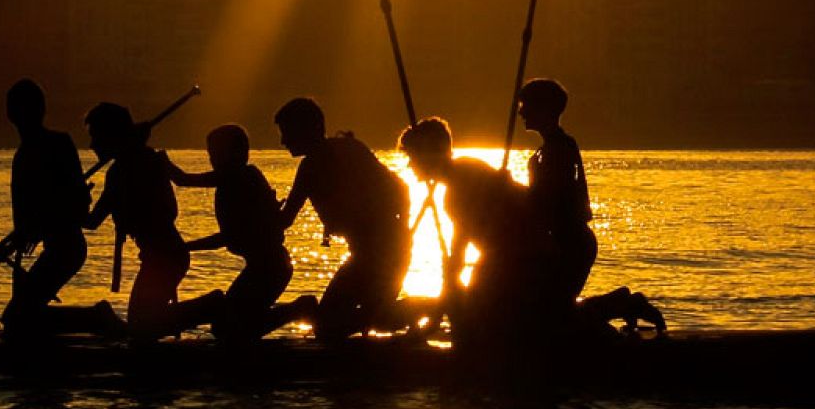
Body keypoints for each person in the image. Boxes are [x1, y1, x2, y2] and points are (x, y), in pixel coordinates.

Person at [518, 78, 664, 331]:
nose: (520, 111)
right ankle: (620, 303)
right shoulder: (546, 151)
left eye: (526, 105)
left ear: (545, 109)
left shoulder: (559, 150)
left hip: (570, 243)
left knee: (555, 316)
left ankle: (619, 308)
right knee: (552, 311)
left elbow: (551, 197)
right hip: (563, 240)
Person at [399, 117, 559, 346]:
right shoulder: (461, 176)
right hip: (507, 259)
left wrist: (445, 300)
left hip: (522, 260)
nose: (410, 164)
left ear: (430, 153)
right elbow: (459, 248)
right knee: (465, 298)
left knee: (473, 308)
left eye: (412, 156)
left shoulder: (462, 181)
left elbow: (463, 248)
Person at [276, 97, 411, 340]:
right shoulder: (349, 149)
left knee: (329, 327)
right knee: (348, 320)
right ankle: (393, 313)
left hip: (381, 256)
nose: (283, 141)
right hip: (379, 252)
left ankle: (419, 308)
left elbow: (284, 220)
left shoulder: (315, 165)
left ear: (309, 129)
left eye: (287, 133)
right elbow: (400, 189)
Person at [85, 102, 222, 339]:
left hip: (166, 257)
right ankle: (209, 306)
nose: (92, 144)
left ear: (112, 136)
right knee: (143, 323)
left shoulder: (127, 169)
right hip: (161, 256)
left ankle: (211, 306)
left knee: (141, 327)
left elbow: (92, 220)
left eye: (96, 136)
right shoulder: (130, 165)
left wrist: (74, 200)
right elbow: (93, 221)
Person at [169, 124, 315, 340]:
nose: (212, 160)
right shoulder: (236, 179)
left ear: (235, 154)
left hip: (270, 268)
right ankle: (296, 309)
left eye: (216, 154)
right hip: (263, 266)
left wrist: (164, 163)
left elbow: (184, 180)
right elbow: (184, 181)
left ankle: (299, 309)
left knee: (230, 330)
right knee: (228, 326)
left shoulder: (242, 178)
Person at [0, 78, 114, 336]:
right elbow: (25, 218)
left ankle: (95, 318)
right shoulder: (23, 155)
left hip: (67, 248)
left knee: (18, 317)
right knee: (19, 316)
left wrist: (32, 231)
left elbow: (76, 205)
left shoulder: (58, 143)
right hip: (53, 246)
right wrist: (14, 242)